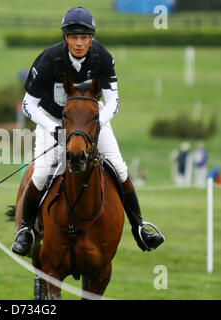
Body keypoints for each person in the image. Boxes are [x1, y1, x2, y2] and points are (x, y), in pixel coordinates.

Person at [11, 7, 164, 256]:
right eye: (74, 37)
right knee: (40, 174)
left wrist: (95, 125)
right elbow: (29, 104)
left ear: (91, 38)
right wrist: (53, 127)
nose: (79, 43)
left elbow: (113, 101)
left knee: (120, 167)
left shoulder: (102, 57)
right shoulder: (48, 59)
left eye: (84, 37)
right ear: (65, 39)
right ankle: (26, 230)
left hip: (92, 121)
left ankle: (139, 228)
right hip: (54, 120)